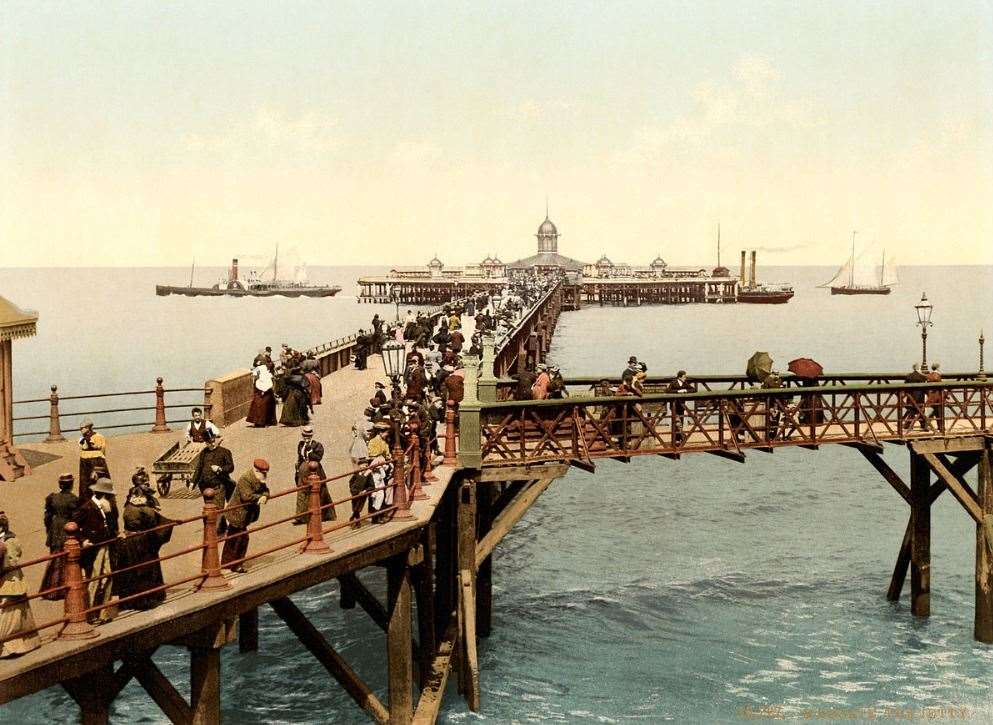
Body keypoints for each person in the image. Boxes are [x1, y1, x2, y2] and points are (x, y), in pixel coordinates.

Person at [114, 487, 174, 611]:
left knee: (132, 570)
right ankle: (146, 600)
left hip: (129, 540)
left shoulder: (128, 508)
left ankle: (129, 601)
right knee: (146, 569)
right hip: (142, 541)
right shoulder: (146, 510)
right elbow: (153, 525)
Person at [72, 478, 119, 623]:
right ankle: (90, 613)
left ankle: (104, 612)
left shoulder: (106, 506)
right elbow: (72, 525)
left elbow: (111, 525)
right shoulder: (86, 508)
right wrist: (82, 540)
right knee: (95, 578)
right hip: (95, 547)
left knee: (107, 575)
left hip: (105, 544)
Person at [0, 513, 41, 657]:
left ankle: (14, 647)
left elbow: (12, 560)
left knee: (11, 616)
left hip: (10, 580)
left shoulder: (9, 540)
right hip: (4, 580)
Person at [221, 459, 270, 573]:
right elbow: (246, 496)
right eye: (263, 473)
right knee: (242, 538)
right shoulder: (246, 479)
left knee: (232, 538)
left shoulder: (259, 479)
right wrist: (260, 497)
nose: (264, 476)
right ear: (256, 470)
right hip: (237, 514)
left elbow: (266, 490)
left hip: (244, 515)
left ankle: (227, 563)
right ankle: (236, 565)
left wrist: (265, 496)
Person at [40, 473, 80, 600]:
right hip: (66, 527)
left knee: (54, 556)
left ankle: (50, 589)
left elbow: (47, 516)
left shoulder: (53, 498)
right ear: (71, 484)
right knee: (65, 558)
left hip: (55, 527)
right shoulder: (73, 499)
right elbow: (75, 517)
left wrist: (49, 528)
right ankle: (61, 589)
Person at [294, 427, 332, 524]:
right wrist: (298, 469)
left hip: (315, 470)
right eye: (304, 436)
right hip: (303, 471)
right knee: (302, 492)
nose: (306, 438)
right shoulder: (300, 444)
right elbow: (300, 457)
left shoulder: (317, 445)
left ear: (311, 436)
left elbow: (318, 458)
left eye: (308, 436)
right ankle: (301, 517)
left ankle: (321, 514)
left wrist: (310, 452)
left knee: (319, 492)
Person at [191, 431, 235, 509]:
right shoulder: (204, 453)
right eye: (209, 442)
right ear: (206, 443)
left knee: (217, 510)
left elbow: (230, 466)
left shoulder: (224, 452)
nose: (213, 444)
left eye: (213, 441)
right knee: (209, 510)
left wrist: (220, 468)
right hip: (205, 488)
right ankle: (220, 521)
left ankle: (220, 520)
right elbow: (199, 468)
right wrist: (193, 482)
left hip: (218, 486)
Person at [78, 419, 109, 501]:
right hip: (84, 462)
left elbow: (102, 451)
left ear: (88, 428)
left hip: (97, 461)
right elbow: (81, 450)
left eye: (82, 428)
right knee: (85, 485)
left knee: (99, 482)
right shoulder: (81, 439)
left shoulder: (99, 437)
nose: (81, 430)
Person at [246, 359, 277, 427]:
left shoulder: (259, 371)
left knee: (259, 406)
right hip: (267, 392)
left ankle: (259, 422)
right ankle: (267, 421)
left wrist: (262, 390)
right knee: (267, 407)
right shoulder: (267, 372)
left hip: (261, 392)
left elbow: (255, 375)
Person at [903, 363, 928, 430]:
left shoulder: (909, 376)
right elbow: (926, 387)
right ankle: (924, 425)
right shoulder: (922, 377)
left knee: (912, 411)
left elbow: (905, 386)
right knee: (920, 411)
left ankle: (908, 425)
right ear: (918, 368)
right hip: (920, 397)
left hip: (911, 397)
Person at [926, 362, 944, 430]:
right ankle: (941, 427)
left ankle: (927, 424)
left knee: (934, 411)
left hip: (931, 396)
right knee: (939, 412)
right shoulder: (937, 375)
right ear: (938, 368)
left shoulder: (929, 375)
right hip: (937, 396)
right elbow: (940, 386)